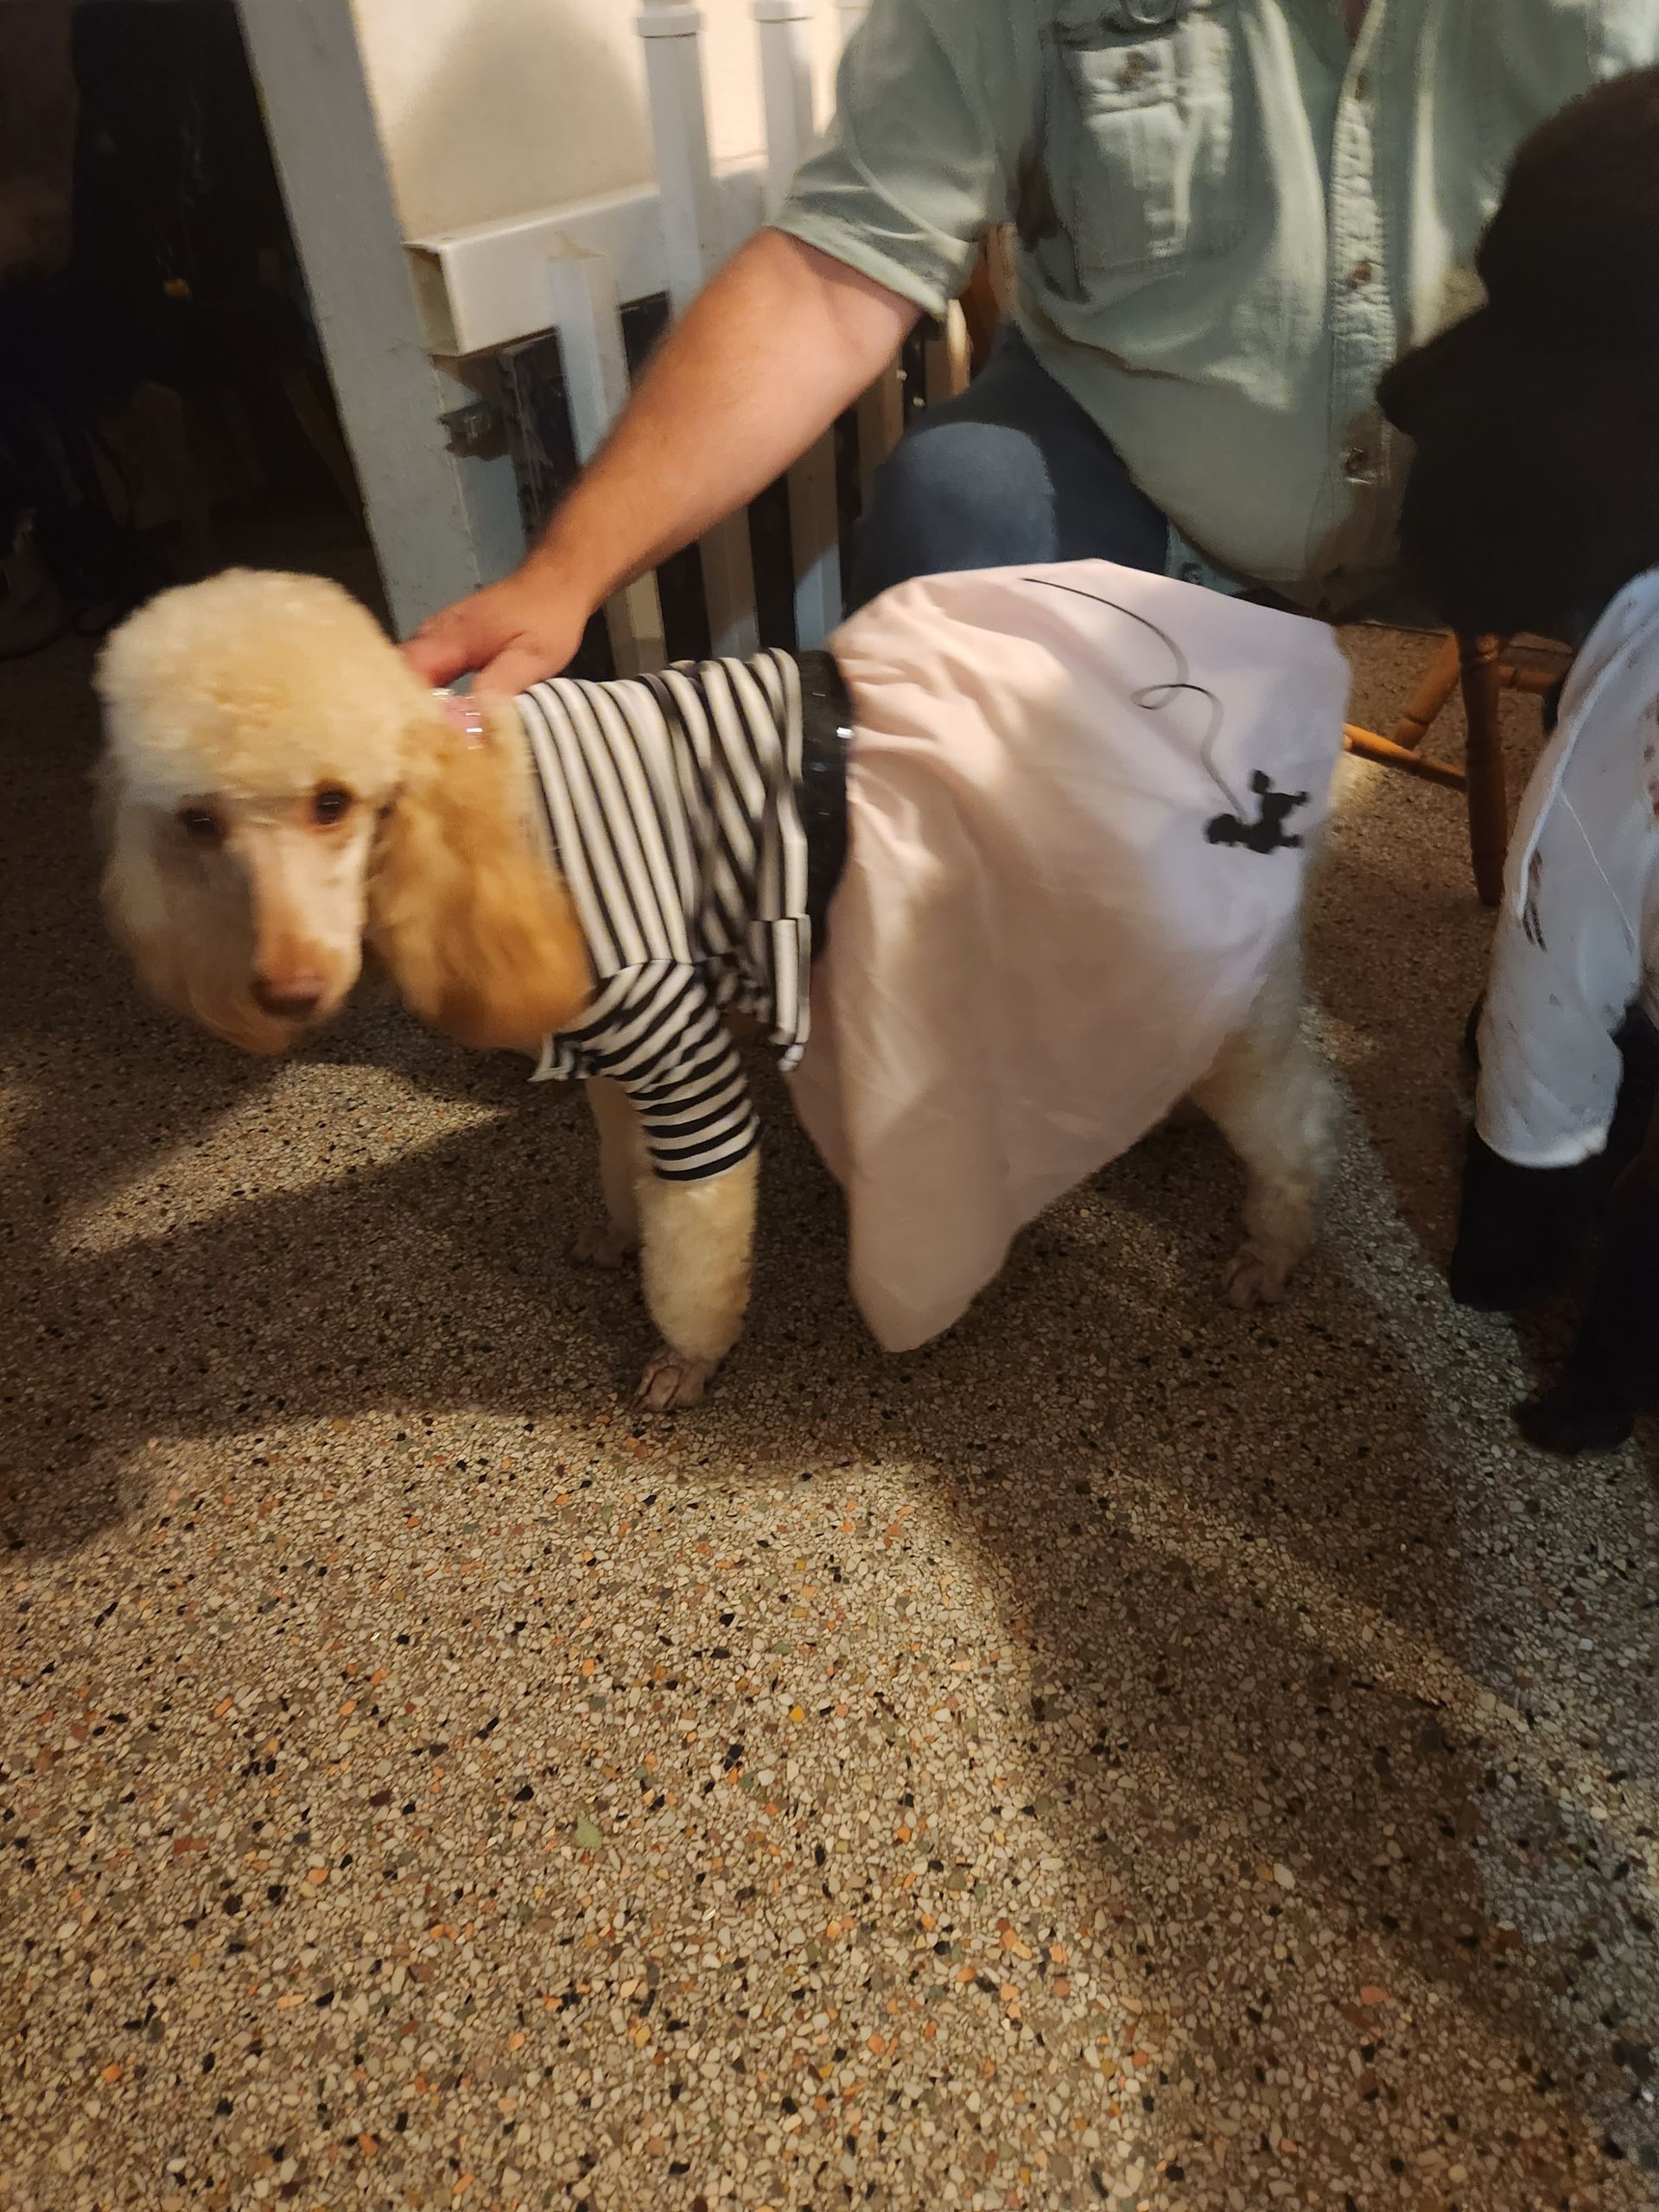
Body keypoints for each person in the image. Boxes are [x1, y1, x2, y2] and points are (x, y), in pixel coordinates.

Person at [403, 0, 1659, 697]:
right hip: (1137, 464)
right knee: (959, 502)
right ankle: (1074, 963)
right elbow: (836, 266)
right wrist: (564, 575)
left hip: (1541, 457)